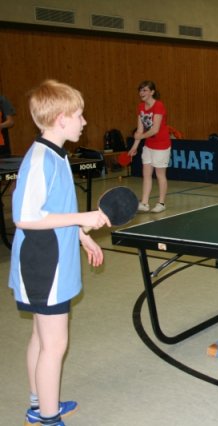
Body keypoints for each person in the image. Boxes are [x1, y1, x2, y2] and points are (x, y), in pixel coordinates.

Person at [9, 80, 109, 426]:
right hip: (44, 264)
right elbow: (25, 217)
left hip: (52, 258)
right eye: (79, 115)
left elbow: (55, 209)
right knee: (54, 344)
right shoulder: (40, 160)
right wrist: (84, 218)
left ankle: (40, 404)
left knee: (42, 337)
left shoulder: (56, 154)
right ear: (61, 118)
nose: (84, 121)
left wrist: (81, 236)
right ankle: (47, 418)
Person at [128, 81, 172, 213]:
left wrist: (140, 137)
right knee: (146, 174)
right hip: (148, 145)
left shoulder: (158, 105)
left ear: (152, 92)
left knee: (160, 174)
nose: (141, 93)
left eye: (145, 90)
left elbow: (155, 129)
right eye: (140, 90)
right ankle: (144, 203)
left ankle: (161, 203)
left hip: (161, 145)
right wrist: (134, 147)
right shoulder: (141, 106)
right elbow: (139, 130)